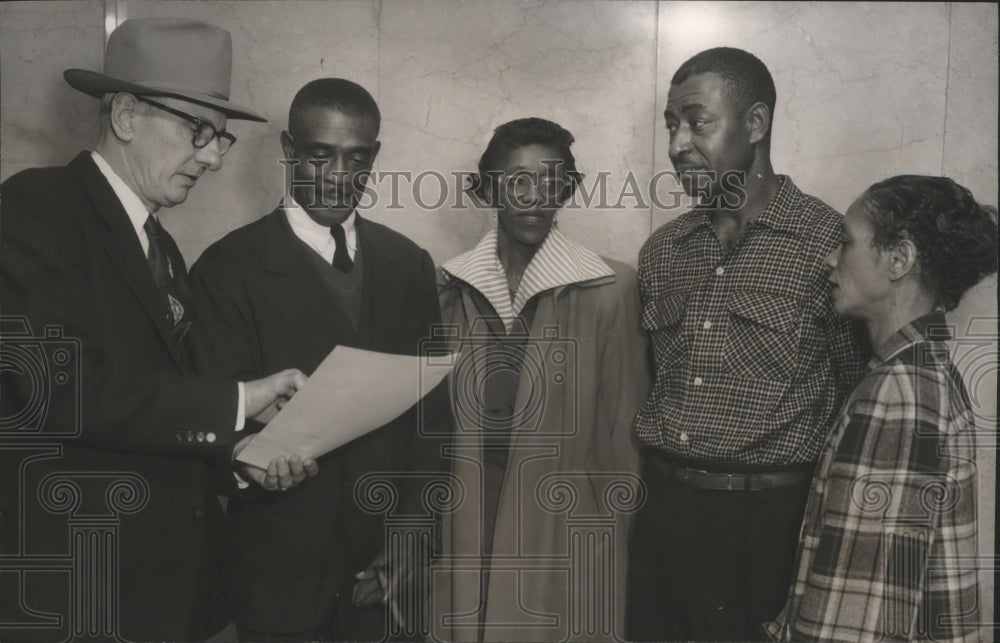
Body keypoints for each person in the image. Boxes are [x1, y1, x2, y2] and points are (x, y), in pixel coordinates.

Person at [0, 18, 315, 643]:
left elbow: (155, 410)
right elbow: (56, 390)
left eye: (221, 139)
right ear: (124, 115)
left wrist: (239, 461)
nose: (213, 158)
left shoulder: (162, 249)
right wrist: (236, 399)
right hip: (76, 592)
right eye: (198, 131)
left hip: (164, 596)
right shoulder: (36, 208)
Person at [189, 77, 449, 642]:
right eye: (318, 155)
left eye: (357, 159)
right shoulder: (227, 267)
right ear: (288, 150)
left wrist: (410, 534)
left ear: (375, 157)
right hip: (277, 572)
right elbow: (203, 417)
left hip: (384, 572)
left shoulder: (409, 264)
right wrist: (248, 461)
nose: (338, 176)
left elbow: (434, 421)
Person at [626, 47, 868, 641]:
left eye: (697, 121)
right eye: (670, 126)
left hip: (770, 526)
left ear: (755, 124)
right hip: (661, 513)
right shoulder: (663, 250)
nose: (678, 143)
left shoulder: (828, 243)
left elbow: (855, 392)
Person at [433, 117, 648, 642]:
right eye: (517, 181)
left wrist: (613, 543)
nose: (535, 197)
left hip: (565, 526)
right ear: (487, 188)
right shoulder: (444, 288)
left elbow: (624, 437)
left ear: (568, 191)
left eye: (552, 183)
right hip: (467, 516)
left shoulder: (611, 287)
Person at [766, 175, 995, 642]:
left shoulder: (898, 395)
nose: (829, 259)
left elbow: (855, 612)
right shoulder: (919, 374)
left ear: (899, 260)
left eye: (846, 243)